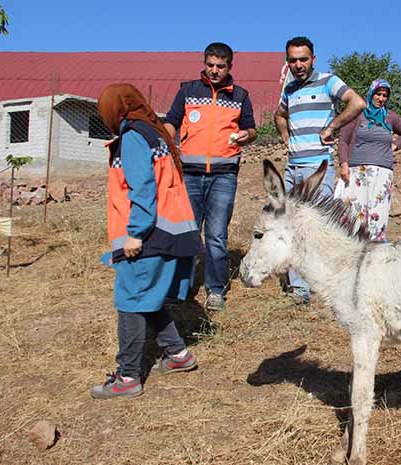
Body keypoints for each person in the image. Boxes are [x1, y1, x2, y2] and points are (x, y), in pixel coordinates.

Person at [93, 83, 203, 399]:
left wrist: (134, 234)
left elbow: (143, 189)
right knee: (146, 298)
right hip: (165, 235)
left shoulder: (133, 138)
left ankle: (127, 377)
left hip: (147, 236)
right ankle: (178, 355)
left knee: (129, 302)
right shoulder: (152, 133)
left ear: (117, 108)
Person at [164, 42, 257, 312]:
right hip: (189, 175)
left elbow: (251, 130)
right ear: (204, 63)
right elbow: (171, 120)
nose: (214, 70)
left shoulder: (240, 96)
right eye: (210, 65)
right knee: (187, 234)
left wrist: (245, 135)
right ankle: (181, 288)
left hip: (223, 176)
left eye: (220, 66)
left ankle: (215, 290)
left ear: (230, 66)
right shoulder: (188, 91)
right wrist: (167, 137)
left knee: (216, 235)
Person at [274, 36, 366, 303]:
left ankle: (329, 281)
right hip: (293, 165)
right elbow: (279, 115)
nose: (298, 64)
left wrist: (332, 127)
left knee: (320, 226)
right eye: (293, 60)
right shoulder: (289, 89)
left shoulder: (328, 81)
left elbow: (357, 102)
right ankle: (299, 287)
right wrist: (285, 138)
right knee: (292, 224)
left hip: (318, 165)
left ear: (313, 58)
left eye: (303, 59)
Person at [338, 79, 401, 241]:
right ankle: (354, 246)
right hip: (358, 171)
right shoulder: (357, 114)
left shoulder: (390, 117)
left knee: (379, 210)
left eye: (385, 95)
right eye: (378, 94)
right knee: (356, 211)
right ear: (371, 93)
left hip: (383, 172)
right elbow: (343, 139)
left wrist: (395, 145)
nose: (381, 98)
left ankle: (376, 248)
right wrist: (344, 164)